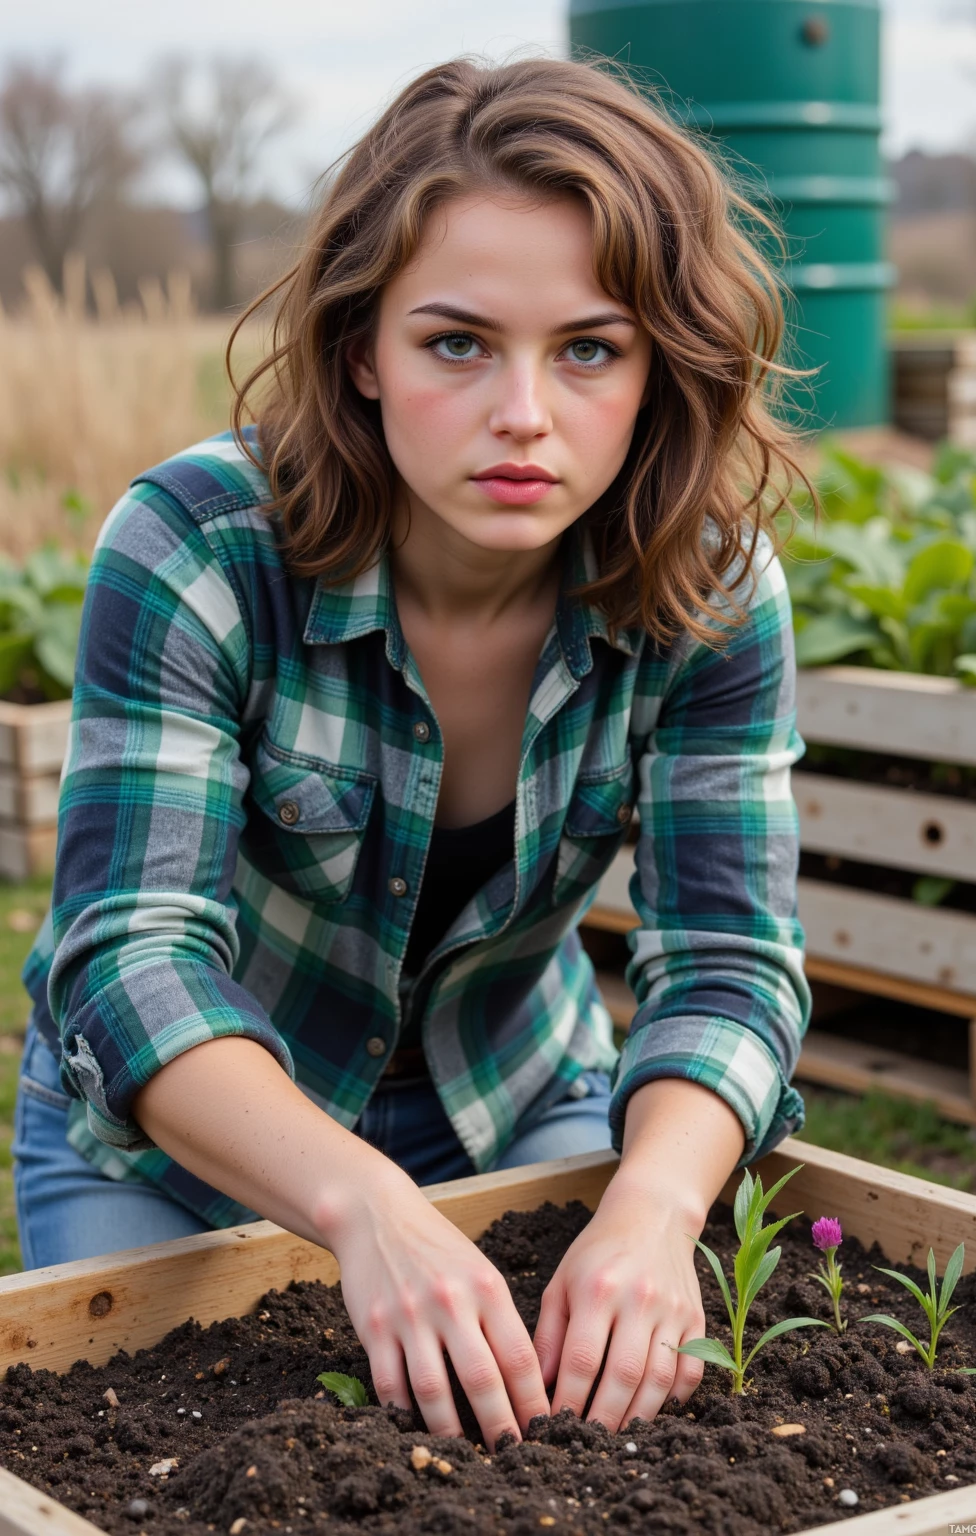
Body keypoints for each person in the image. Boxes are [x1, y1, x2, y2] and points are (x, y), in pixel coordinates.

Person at [13, 56, 812, 1449]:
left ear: (658, 365)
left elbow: (731, 958)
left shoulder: (710, 589)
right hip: (188, 1150)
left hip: (514, 1098)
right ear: (361, 351)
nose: (525, 412)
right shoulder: (202, 547)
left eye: (588, 348)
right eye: (457, 343)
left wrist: (651, 1205)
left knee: (605, 1434)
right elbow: (129, 956)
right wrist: (365, 1207)